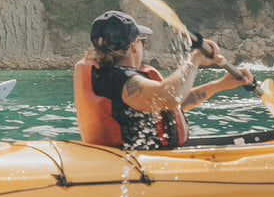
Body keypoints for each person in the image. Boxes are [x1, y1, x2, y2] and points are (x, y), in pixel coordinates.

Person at [73, 9, 253, 150]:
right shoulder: (116, 79)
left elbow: (171, 104)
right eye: (142, 41)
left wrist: (220, 85)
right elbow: (168, 97)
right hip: (133, 168)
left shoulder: (105, 76)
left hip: (135, 159)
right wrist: (195, 57)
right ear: (134, 46)